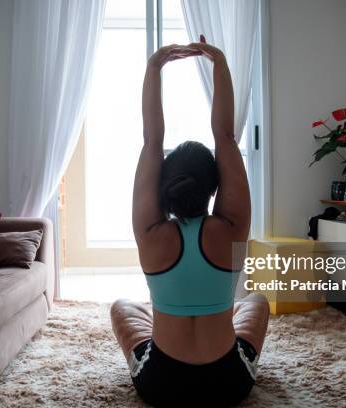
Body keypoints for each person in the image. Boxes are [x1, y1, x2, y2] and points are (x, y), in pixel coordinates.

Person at [110, 35, 270, 407]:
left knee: (122, 306)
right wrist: (220, 64)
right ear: (215, 185)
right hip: (229, 383)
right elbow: (226, 137)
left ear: (164, 186)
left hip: (161, 385)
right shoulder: (231, 227)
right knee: (257, 301)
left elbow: (152, 140)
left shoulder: (150, 233)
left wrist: (154, 68)